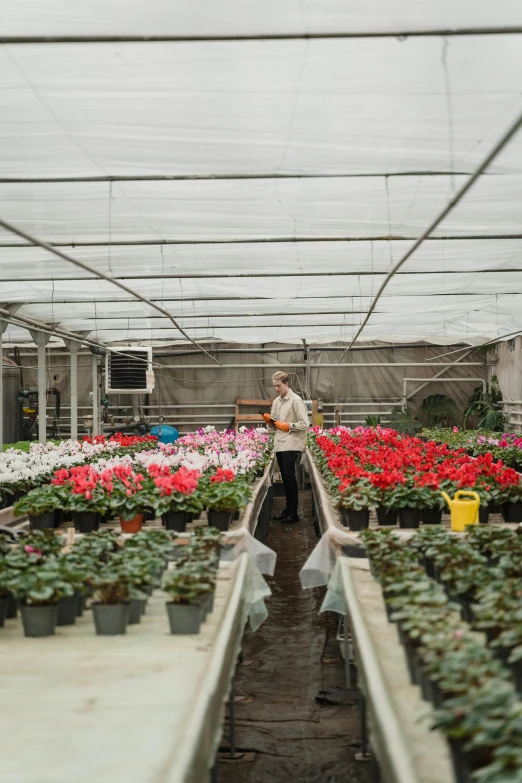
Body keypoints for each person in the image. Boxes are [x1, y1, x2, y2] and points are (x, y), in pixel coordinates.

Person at [263, 371, 309, 523]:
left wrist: (288, 426)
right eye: (274, 386)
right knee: (285, 478)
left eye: (279, 385)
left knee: (289, 478)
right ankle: (288, 509)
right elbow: (275, 425)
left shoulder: (296, 401)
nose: (276, 389)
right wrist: (270, 422)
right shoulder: (277, 402)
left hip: (291, 443)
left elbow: (304, 424)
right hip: (280, 444)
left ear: (286, 383)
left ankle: (293, 513)